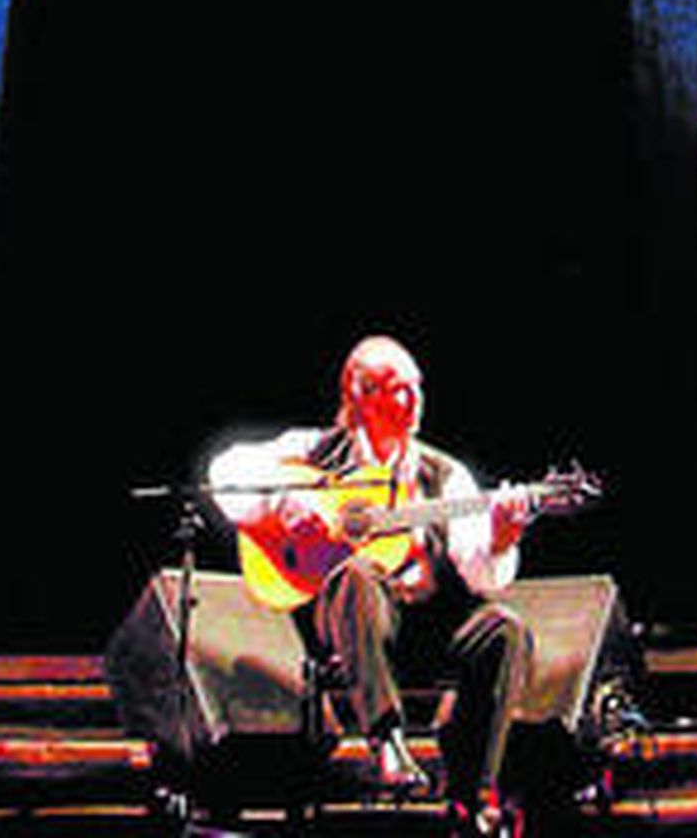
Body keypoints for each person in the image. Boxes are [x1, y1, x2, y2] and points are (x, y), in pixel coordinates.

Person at [207, 334, 534, 834]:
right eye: (396, 389)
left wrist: (503, 538)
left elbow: (478, 574)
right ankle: (387, 742)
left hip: (426, 627)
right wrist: (287, 504)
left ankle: (476, 795)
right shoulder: (314, 453)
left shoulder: (443, 476)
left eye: (417, 388)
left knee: (505, 629)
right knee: (359, 574)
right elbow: (223, 469)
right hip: (347, 630)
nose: (413, 400)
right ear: (359, 396)